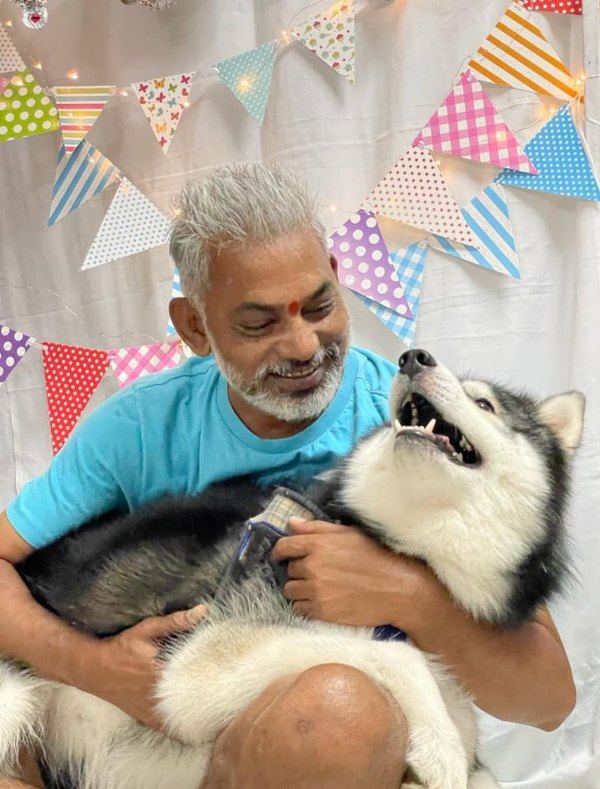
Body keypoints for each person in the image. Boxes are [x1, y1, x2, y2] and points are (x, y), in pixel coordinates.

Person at [0, 163, 575, 789]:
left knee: (340, 714)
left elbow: (547, 701)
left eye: (320, 306)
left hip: (313, 734)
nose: (303, 347)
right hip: (138, 720)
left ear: (337, 272)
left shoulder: (410, 428)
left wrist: (406, 594)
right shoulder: (139, 426)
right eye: (260, 323)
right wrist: (93, 666)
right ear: (194, 326)